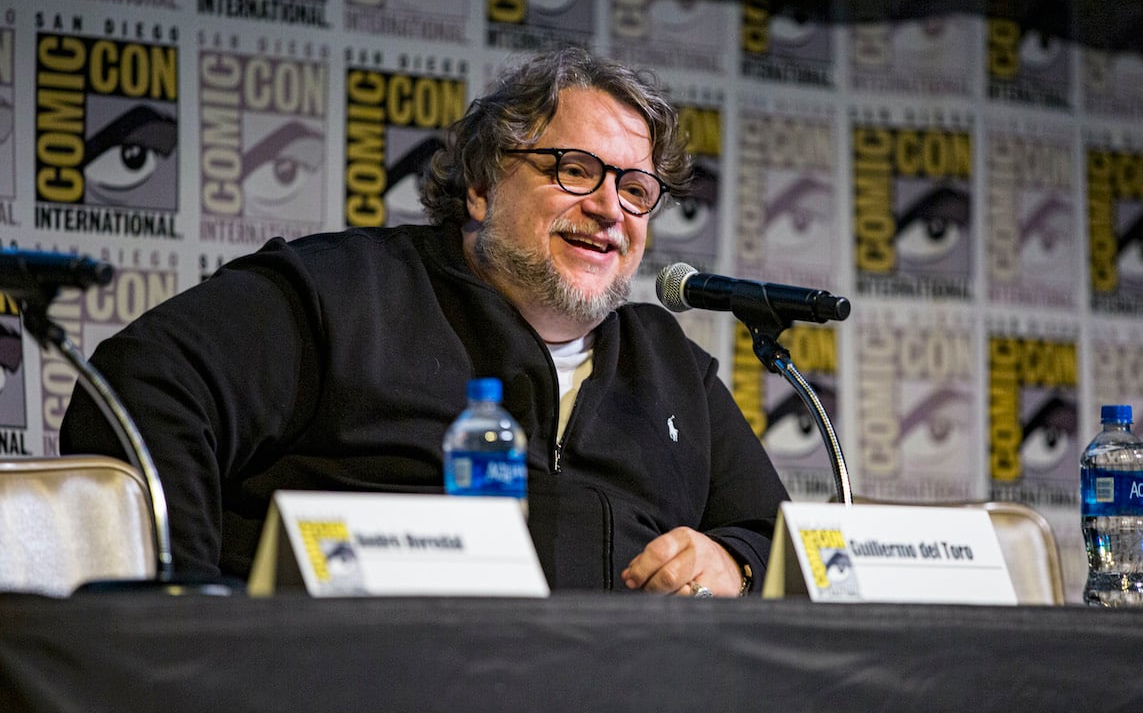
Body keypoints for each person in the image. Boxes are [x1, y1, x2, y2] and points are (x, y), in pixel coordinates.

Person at [61, 47, 788, 597]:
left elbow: (774, 535)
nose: (609, 210)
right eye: (574, 169)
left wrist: (733, 561)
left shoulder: (670, 369)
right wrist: (192, 608)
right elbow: (141, 388)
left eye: (635, 190)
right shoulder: (344, 293)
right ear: (480, 186)